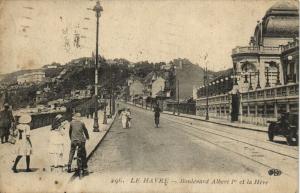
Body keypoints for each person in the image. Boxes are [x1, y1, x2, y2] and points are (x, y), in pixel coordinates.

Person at [67, 113, 89, 177]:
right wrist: (87, 137)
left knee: (72, 152)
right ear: (79, 117)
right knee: (82, 153)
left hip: (73, 140)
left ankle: (69, 165)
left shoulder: (71, 123)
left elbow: (70, 132)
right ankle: (82, 167)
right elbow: (85, 131)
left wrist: (71, 138)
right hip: (80, 141)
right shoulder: (82, 123)